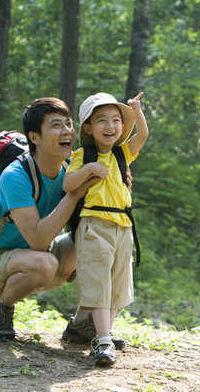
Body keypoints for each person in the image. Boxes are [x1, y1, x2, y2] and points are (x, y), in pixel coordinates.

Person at [0, 97, 129, 345]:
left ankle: (82, 323)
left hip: (42, 254)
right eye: (56, 125)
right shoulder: (15, 176)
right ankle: (0, 307)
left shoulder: (71, 169)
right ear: (34, 137)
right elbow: (37, 240)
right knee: (44, 263)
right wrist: (74, 193)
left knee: (101, 239)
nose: (67, 131)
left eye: (68, 124)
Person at [62, 91, 149, 366]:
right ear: (88, 128)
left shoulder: (122, 153)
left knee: (116, 283)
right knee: (99, 280)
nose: (110, 126)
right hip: (93, 224)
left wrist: (136, 110)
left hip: (122, 225)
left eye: (116, 120)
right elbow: (68, 184)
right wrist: (89, 168)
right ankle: (101, 339)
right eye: (102, 121)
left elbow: (142, 137)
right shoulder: (83, 155)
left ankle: (105, 334)